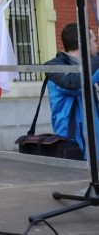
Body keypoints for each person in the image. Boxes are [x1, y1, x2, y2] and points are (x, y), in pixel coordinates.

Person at [44, 22, 99, 159]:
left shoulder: (89, 68)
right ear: (84, 43)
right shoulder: (56, 68)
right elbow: (77, 85)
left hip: (93, 145)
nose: (96, 44)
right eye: (94, 40)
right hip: (75, 148)